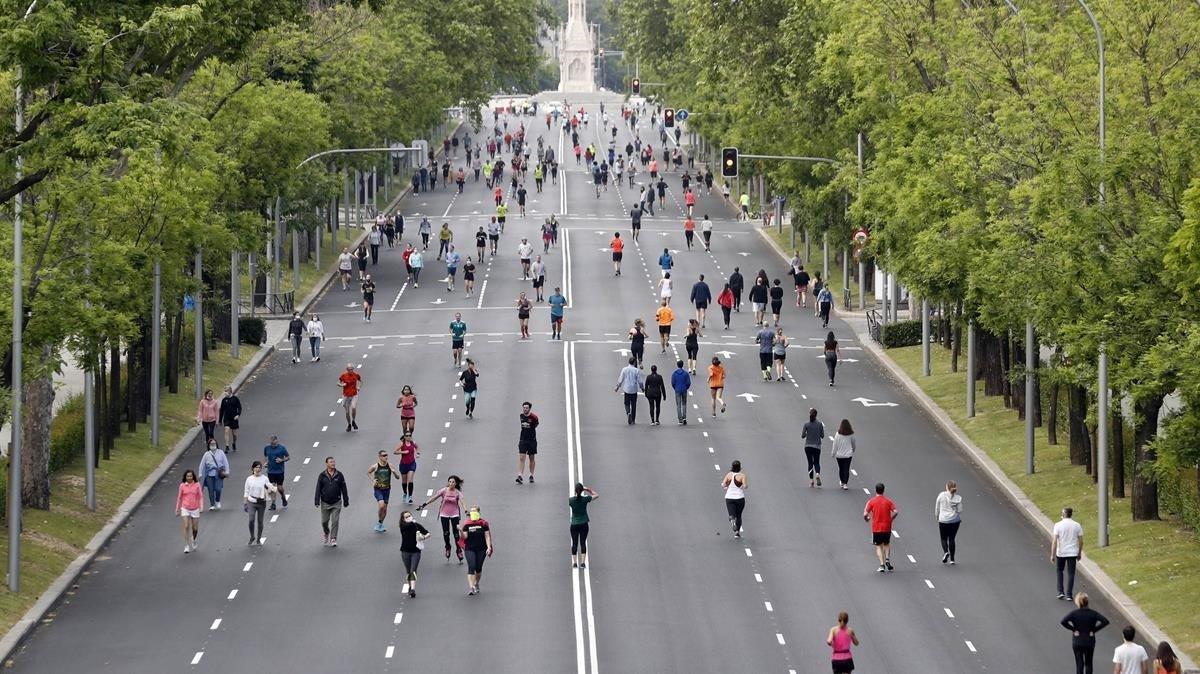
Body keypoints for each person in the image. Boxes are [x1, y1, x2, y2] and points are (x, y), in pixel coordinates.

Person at [420, 475, 466, 562]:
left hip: (454, 515)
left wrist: (466, 511)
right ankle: (448, 547)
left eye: (453, 482)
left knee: (456, 534)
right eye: (449, 482)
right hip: (444, 514)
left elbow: (463, 502)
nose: (451, 484)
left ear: (456, 484)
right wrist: (424, 504)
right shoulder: (444, 490)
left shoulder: (457, 493)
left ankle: (458, 550)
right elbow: (434, 497)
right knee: (446, 533)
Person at [1061, 593, 1110, 674]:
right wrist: (1094, 630)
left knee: (1079, 664)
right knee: (1088, 663)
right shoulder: (1093, 613)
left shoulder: (1074, 613)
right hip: (1089, 641)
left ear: (1078, 602)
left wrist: (1073, 629)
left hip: (1078, 640)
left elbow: (1063, 621)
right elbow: (1105, 621)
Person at [863, 482, 898, 573]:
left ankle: (882, 565)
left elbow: (865, 514)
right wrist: (891, 519)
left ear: (876, 490)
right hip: (887, 526)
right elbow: (896, 511)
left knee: (878, 546)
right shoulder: (888, 501)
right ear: (883, 490)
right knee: (886, 543)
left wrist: (867, 519)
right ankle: (887, 559)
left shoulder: (871, 501)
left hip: (876, 527)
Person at [315, 457, 349, 547]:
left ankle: (333, 538)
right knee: (324, 522)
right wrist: (316, 500)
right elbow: (318, 488)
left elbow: (344, 488)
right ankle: (326, 533)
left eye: (334, 462)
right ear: (326, 464)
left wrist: (346, 500)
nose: (333, 463)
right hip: (325, 503)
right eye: (331, 462)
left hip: (336, 502)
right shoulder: (322, 475)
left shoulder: (339, 475)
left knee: (335, 521)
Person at [1052, 507, 1084, 600]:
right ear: (1071, 514)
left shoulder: (1058, 525)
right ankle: (1069, 594)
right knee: (1071, 573)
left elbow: (1054, 541)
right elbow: (1081, 541)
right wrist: (1079, 553)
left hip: (1061, 552)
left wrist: (1052, 554)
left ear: (1063, 514)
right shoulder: (1077, 525)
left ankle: (1060, 591)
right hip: (1072, 552)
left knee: (1060, 570)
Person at [460, 505, 493, 595]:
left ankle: (476, 583)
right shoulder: (467, 523)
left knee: (478, 568)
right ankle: (471, 588)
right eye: (471, 511)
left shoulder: (483, 523)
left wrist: (489, 547)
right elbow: (465, 537)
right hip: (469, 548)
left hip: (481, 548)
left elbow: (487, 536)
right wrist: (460, 531)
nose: (472, 513)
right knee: (472, 566)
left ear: (478, 512)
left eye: (474, 511)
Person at [367, 450, 401, 533]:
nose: (386, 457)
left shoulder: (390, 465)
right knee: (381, 506)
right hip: (378, 489)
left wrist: (394, 472)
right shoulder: (375, 466)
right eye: (384, 455)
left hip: (387, 489)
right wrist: (373, 480)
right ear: (379, 457)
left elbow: (398, 477)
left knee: (385, 509)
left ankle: (380, 523)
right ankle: (379, 522)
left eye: (386, 455)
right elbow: (368, 472)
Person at [399, 511, 430, 598]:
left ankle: (412, 588)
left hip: (416, 551)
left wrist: (423, 537)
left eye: (409, 515)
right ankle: (410, 586)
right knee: (408, 570)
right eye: (406, 517)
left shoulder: (416, 525)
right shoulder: (403, 526)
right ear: (403, 519)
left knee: (413, 570)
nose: (409, 517)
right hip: (405, 551)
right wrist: (413, 522)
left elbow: (428, 533)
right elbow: (408, 526)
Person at [569, 483, 599, 568]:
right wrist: (587, 489)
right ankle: (582, 562)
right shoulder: (585, 499)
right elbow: (596, 495)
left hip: (574, 524)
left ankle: (574, 562)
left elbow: (575, 498)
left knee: (574, 543)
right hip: (584, 523)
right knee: (583, 542)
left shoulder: (571, 500)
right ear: (582, 491)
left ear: (575, 491)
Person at [243, 461, 272, 546]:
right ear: (253, 468)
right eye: (256, 467)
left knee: (260, 521)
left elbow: (270, 487)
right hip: (251, 501)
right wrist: (245, 503)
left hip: (261, 502)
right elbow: (246, 491)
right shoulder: (249, 479)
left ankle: (259, 538)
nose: (258, 469)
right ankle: (252, 536)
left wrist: (270, 490)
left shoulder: (264, 478)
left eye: (259, 467)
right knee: (251, 520)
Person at [935, 480, 963, 564]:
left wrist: (937, 517)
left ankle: (946, 552)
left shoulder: (941, 495)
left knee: (943, 538)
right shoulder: (958, 498)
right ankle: (952, 559)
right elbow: (960, 510)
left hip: (943, 520)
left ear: (947, 487)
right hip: (954, 520)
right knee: (952, 538)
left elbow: (937, 508)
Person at [261, 435, 290, 511]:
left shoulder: (282, 448)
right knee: (272, 487)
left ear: (277, 441)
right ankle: (273, 504)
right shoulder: (267, 447)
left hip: (280, 471)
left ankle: (283, 497)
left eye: (274, 442)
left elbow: (288, 457)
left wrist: (282, 460)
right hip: (271, 471)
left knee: (279, 488)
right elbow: (265, 456)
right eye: (271, 442)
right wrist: (265, 463)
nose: (272, 444)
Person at [175, 469, 202, 554]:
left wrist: (201, 507)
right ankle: (186, 545)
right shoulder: (182, 485)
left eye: (190, 476)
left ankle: (193, 539)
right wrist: (177, 509)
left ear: (193, 476)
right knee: (186, 526)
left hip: (195, 508)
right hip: (185, 508)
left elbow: (200, 497)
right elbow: (179, 498)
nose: (189, 478)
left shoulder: (197, 485)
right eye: (187, 476)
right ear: (185, 477)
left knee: (195, 529)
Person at [198, 438, 229, 510]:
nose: (213, 445)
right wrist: (200, 474)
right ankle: (212, 504)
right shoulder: (207, 454)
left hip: (218, 474)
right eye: (211, 444)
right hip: (209, 474)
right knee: (210, 490)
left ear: (216, 444)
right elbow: (202, 464)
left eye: (214, 444)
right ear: (209, 445)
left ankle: (217, 500)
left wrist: (227, 472)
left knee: (218, 489)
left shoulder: (221, 452)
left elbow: (225, 463)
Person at [615, 357, 645, 425]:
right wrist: (642, 388)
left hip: (627, 389)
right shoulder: (636, 370)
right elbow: (640, 381)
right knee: (633, 404)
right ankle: (633, 419)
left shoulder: (624, 369)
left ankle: (628, 412)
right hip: (634, 389)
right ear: (634, 363)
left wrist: (617, 387)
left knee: (626, 403)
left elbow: (621, 379)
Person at [722, 460, 747, 538]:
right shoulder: (742, 476)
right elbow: (745, 486)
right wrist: (743, 486)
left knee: (732, 514)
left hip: (729, 498)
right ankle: (737, 532)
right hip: (740, 498)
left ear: (732, 467)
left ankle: (732, 518)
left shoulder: (729, 475)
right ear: (740, 467)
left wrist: (727, 486)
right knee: (739, 515)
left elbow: (723, 484)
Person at [830, 419, 857, 490]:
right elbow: (853, 443)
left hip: (839, 455)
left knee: (841, 468)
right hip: (848, 454)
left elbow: (835, 444)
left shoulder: (837, 434)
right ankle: (845, 483)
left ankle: (842, 481)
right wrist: (853, 450)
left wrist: (833, 453)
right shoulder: (851, 434)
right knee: (846, 469)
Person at [516, 401, 539, 484]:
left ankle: (531, 475)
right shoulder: (521, 415)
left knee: (531, 458)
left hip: (532, 440)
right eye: (524, 407)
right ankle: (520, 475)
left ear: (529, 409)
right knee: (522, 457)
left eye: (526, 408)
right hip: (523, 439)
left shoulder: (534, 417)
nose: (525, 409)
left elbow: (536, 424)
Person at [801, 408, 825, 486]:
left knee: (810, 463)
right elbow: (822, 436)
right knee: (816, 462)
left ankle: (811, 480)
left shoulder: (806, 424)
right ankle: (817, 474)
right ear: (816, 415)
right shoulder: (820, 424)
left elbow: (802, 436)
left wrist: (808, 434)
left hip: (808, 446)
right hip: (817, 446)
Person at [394, 433, 419, 503]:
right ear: (404, 437)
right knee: (404, 481)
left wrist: (417, 453)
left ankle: (410, 496)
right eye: (407, 436)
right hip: (403, 464)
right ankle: (405, 493)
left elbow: (417, 447)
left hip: (412, 464)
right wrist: (403, 452)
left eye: (410, 435)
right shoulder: (401, 443)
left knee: (410, 480)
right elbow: (395, 451)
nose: (408, 437)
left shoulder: (413, 442)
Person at [338, 364, 362, 432]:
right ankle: (349, 424)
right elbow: (338, 383)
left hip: (354, 394)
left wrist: (359, 387)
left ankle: (353, 421)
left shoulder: (356, 375)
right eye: (349, 369)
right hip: (346, 395)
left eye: (352, 369)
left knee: (354, 407)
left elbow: (360, 381)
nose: (351, 370)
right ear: (347, 370)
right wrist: (342, 384)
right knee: (347, 412)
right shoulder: (343, 375)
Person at [670, 360, 691, 425]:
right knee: (684, 404)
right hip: (684, 389)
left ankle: (680, 419)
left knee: (678, 405)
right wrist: (686, 388)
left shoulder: (674, 373)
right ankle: (684, 417)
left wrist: (675, 388)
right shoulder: (685, 373)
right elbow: (688, 383)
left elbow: (673, 383)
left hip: (677, 390)